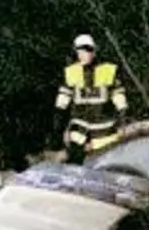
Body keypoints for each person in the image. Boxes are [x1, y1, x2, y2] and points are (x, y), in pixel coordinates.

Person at [54, 34, 129, 164]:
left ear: (94, 52)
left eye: (86, 51)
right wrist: (58, 119)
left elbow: (118, 95)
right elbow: (63, 98)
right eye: (80, 51)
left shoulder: (108, 70)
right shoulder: (71, 72)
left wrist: (123, 115)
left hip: (104, 130)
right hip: (79, 130)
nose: (82, 55)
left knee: (103, 165)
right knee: (75, 165)